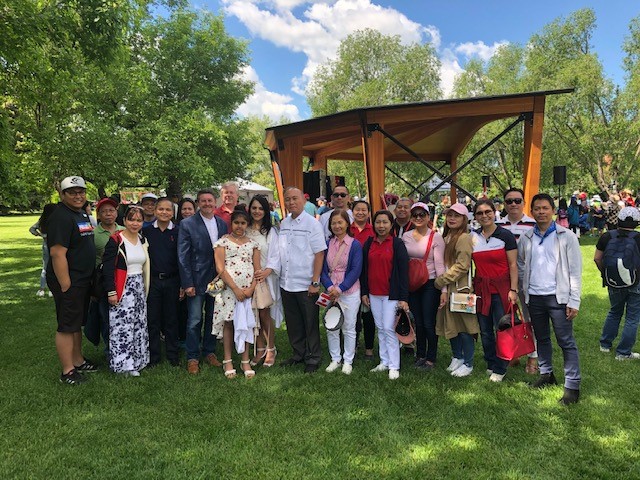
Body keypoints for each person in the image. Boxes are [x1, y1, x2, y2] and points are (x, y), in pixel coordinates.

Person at [518, 193, 582, 405]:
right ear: (532, 211)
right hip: (535, 297)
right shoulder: (527, 238)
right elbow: (520, 264)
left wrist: (574, 300)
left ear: (553, 210)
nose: (541, 212)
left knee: (566, 341)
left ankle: (572, 386)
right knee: (542, 338)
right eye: (537, 208)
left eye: (545, 208)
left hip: (558, 298)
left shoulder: (567, 236)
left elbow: (575, 271)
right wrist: (525, 287)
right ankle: (546, 374)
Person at [47, 176, 98, 384]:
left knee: (76, 322)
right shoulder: (61, 217)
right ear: (62, 195)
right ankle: (67, 371)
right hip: (70, 280)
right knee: (67, 325)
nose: (78, 196)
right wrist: (65, 284)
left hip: (83, 278)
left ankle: (78, 360)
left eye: (81, 192)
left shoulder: (79, 214)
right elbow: (57, 253)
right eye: (72, 192)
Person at [277, 187, 327, 374]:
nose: (291, 202)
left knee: (310, 322)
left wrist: (315, 282)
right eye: (287, 199)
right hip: (286, 282)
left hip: (306, 283)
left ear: (304, 201)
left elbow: (319, 253)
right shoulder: (283, 223)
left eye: (294, 198)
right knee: (293, 322)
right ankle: (298, 353)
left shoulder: (312, 224)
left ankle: (313, 357)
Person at [178, 189, 228, 374]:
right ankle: (192, 356)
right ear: (198, 203)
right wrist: (187, 283)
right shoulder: (187, 224)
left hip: (216, 279)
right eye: (203, 201)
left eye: (210, 200)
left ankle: (209, 351)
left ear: (215, 202)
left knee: (213, 318)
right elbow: (182, 256)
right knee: (194, 319)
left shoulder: (222, 224)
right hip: (196, 279)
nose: (207, 204)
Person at [471, 199, 519, 382]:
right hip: (481, 289)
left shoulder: (505, 236)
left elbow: (513, 265)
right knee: (485, 330)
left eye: (488, 212)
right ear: (475, 216)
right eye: (480, 213)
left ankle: (501, 367)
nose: (484, 216)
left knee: (503, 328)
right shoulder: (472, 237)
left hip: (502, 289)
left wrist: (513, 289)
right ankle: (491, 362)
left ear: (494, 212)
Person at [360, 210, 409, 380]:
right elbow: (364, 271)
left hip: (392, 294)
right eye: (378, 222)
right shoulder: (369, 243)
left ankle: (394, 366)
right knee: (380, 328)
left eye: (385, 222)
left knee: (389, 328)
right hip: (373, 294)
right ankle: (384, 361)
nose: (381, 226)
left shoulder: (397, 244)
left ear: (391, 224)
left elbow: (403, 273)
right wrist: (364, 292)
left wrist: (403, 297)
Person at [103, 206, 150, 376]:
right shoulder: (116, 240)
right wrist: (111, 291)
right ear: (124, 221)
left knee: (138, 324)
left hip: (139, 287)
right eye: (131, 219)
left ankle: (138, 360)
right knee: (122, 327)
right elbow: (107, 269)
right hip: (123, 287)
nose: (134, 223)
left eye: (138, 220)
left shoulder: (142, 240)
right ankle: (123, 365)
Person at [212, 208, 260, 379]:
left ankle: (245, 360)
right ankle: (228, 360)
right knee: (229, 323)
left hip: (248, 290)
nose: (239, 226)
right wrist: (235, 288)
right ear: (231, 223)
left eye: (243, 223)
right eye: (236, 223)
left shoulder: (253, 244)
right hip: (230, 289)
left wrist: (251, 289)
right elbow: (220, 268)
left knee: (246, 323)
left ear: (247, 224)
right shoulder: (222, 242)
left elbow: (257, 269)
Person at [496, 187, 539, 374]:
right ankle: (513, 352)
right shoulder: (497, 224)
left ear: (523, 202)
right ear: (504, 204)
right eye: (509, 201)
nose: (513, 204)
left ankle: (533, 356)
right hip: (503, 279)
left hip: (528, 277)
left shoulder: (533, 224)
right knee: (507, 317)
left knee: (530, 318)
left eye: (517, 200)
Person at [434, 203, 479, 378]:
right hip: (449, 288)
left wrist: (441, 281)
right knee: (451, 324)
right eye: (449, 215)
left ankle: (468, 362)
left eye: (457, 216)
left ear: (464, 219)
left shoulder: (464, 238)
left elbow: (462, 265)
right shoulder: (446, 237)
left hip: (461, 289)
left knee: (465, 326)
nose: (452, 218)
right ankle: (457, 356)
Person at [402, 202, 446, 371]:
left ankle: (431, 357)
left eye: (422, 214)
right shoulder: (406, 236)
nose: (418, 218)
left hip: (429, 282)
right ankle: (420, 354)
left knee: (428, 322)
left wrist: (443, 289)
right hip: (413, 283)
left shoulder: (435, 237)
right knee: (418, 321)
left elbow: (440, 264)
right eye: (415, 215)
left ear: (428, 217)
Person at [594, 206, 640, 360]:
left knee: (614, 311)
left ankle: (605, 344)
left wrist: (605, 274)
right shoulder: (638, 238)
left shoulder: (607, 236)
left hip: (613, 281)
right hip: (636, 283)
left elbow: (597, 258)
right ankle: (623, 352)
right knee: (632, 318)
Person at [321, 209, 363, 374]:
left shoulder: (355, 245)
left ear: (347, 223)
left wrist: (340, 288)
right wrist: (330, 287)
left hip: (349, 291)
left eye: (340, 222)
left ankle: (348, 360)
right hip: (330, 291)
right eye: (334, 223)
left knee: (349, 326)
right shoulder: (326, 244)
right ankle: (335, 359)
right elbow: (322, 269)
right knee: (331, 326)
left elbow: (356, 270)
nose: (337, 226)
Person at [143, 197, 181, 367]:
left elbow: (182, 259)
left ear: (173, 213)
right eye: (161, 209)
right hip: (153, 281)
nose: (164, 213)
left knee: (172, 319)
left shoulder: (179, 232)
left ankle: (173, 355)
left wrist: (182, 283)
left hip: (173, 280)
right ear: (155, 211)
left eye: (168, 210)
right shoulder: (147, 232)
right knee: (153, 319)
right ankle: (154, 355)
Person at [246, 195, 283, 368]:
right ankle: (259, 348)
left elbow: (276, 255)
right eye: (254, 208)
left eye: (261, 208)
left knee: (264, 313)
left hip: (266, 278)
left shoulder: (271, 232)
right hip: (248, 278)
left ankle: (271, 348)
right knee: (253, 314)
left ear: (266, 211)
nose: (257, 211)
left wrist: (267, 271)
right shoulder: (245, 229)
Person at [85, 197, 124, 350]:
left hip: (123, 280)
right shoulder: (93, 235)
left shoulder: (125, 229)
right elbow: (89, 260)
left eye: (111, 210)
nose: (108, 214)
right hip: (103, 282)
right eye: (104, 211)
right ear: (98, 215)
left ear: (116, 213)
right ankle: (111, 351)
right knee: (107, 319)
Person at [350, 200, 376, 360]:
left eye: (364, 210)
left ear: (368, 213)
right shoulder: (347, 229)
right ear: (352, 212)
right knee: (352, 314)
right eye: (357, 210)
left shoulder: (374, 231)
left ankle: (369, 349)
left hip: (368, 277)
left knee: (368, 315)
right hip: (350, 279)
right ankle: (352, 344)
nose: (360, 212)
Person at [30, 203, 57, 297]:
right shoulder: (55, 220)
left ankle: (41, 289)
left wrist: (40, 235)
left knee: (45, 268)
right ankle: (52, 290)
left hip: (45, 244)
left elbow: (32, 229)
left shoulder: (42, 220)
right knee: (55, 267)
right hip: (55, 244)